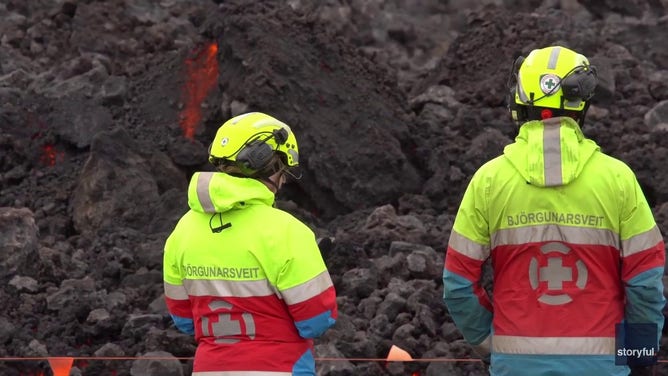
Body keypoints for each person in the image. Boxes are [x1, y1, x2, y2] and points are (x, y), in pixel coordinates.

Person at [442, 46, 665, 376]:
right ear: (581, 105)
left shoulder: (488, 181)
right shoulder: (618, 180)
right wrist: (639, 355)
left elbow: (458, 285)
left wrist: (493, 348)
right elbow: (645, 284)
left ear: (519, 102)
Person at [163, 112, 338, 375]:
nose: (284, 179)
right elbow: (317, 320)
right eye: (282, 168)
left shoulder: (182, 231)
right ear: (267, 164)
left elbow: (184, 321)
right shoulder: (286, 231)